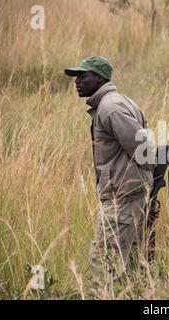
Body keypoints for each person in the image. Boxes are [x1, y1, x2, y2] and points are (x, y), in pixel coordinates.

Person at [64, 56, 155, 292]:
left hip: (123, 197)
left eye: (83, 76)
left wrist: (135, 185)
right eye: (76, 76)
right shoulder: (112, 103)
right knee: (130, 262)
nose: (77, 81)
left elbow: (144, 151)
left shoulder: (110, 107)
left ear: (100, 78)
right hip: (128, 194)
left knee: (104, 260)